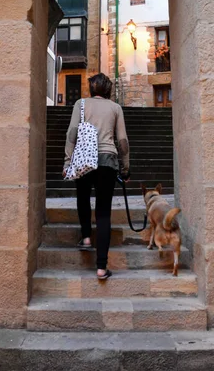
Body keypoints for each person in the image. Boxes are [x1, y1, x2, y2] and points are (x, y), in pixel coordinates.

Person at [63, 73, 130, 280]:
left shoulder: (80, 104)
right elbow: (123, 140)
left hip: (84, 157)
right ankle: (101, 268)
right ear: (108, 90)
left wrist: (67, 161)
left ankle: (85, 238)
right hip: (108, 161)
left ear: (91, 89)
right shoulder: (115, 108)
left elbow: (72, 133)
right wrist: (125, 168)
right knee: (103, 213)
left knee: (82, 198)